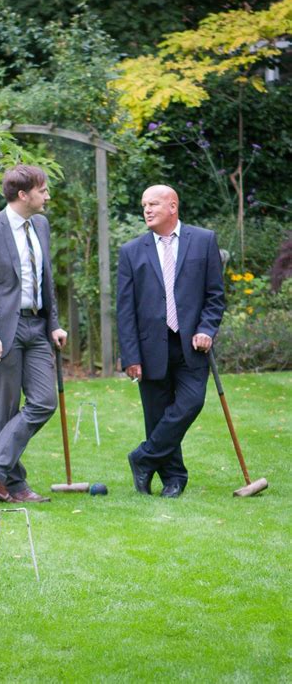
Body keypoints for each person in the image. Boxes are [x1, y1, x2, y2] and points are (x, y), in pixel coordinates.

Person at [117, 185, 225, 498]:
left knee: (191, 403)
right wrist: (130, 355)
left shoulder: (203, 241)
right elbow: (125, 311)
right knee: (157, 413)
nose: (147, 210)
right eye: (143, 205)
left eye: (153, 204)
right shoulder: (131, 251)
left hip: (192, 343)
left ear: (173, 205)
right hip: (150, 346)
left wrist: (207, 328)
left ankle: (143, 458)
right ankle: (173, 478)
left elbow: (215, 295)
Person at [0, 164, 67, 503]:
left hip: (37, 326)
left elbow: (46, 277)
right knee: (7, 410)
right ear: (23, 194)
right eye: (43, 190)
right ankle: (15, 486)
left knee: (43, 401)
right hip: (2, 331)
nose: (48, 196)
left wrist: (53, 322)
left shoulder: (41, 224)